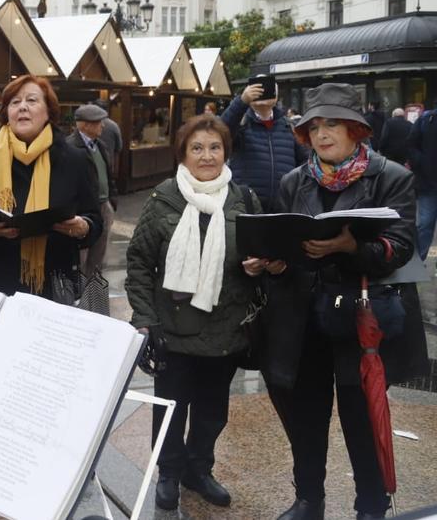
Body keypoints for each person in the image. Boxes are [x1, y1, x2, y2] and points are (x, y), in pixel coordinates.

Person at [261, 84, 427, 520]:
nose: (321, 133)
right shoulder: (293, 181)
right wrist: (275, 263)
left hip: (361, 319)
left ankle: (370, 505)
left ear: (356, 129)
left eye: (331, 123)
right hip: (306, 318)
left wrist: (350, 248)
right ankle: (308, 499)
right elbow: (287, 245)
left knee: (361, 418)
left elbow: (401, 247)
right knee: (307, 417)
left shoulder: (392, 176)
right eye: (313, 126)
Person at [126, 115, 264, 512]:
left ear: (226, 151)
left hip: (227, 328)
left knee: (212, 409)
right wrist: (145, 318)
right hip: (173, 327)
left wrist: (257, 264)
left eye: (215, 147)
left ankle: (199, 469)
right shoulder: (165, 199)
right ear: (183, 154)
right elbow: (138, 263)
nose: (207, 156)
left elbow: (260, 254)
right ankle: (169, 472)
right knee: (171, 408)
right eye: (197, 148)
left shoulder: (244, 200)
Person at [0, 76, 102, 298]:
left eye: (31, 100)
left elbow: (95, 218)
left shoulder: (74, 159)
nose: (22, 106)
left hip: (56, 282)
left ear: (48, 112)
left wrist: (84, 226)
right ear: (7, 113)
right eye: (14, 102)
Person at [220, 76, 307, 213]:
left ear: (276, 95)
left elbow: (305, 162)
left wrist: (295, 190)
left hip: (283, 209)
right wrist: (242, 101)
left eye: (267, 88)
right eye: (257, 89)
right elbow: (221, 131)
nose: (262, 92)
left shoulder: (289, 126)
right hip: (245, 206)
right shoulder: (241, 124)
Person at [66, 103, 117, 282]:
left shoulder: (100, 145)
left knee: (98, 256)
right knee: (81, 257)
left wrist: (112, 200)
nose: (103, 126)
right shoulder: (71, 147)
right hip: (83, 211)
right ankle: (79, 299)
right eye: (98, 122)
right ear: (85, 125)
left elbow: (108, 175)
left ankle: (94, 297)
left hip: (104, 206)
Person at [408, 103, 437, 259]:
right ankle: (419, 260)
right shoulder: (427, 119)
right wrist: (421, 162)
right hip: (428, 184)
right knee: (425, 224)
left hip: (428, 181)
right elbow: (411, 143)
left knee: (425, 224)